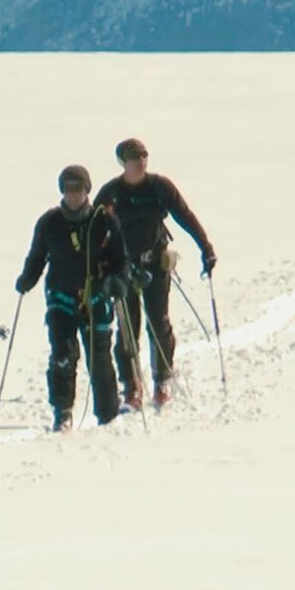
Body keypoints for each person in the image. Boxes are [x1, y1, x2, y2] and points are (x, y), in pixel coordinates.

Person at [92, 139, 216, 408]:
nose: (140, 161)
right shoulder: (111, 193)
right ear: (123, 162)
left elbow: (185, 216)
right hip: (122, 267)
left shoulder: (159, 187)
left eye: (144, 156)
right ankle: (131, 385)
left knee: (158, 322)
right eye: (134, 157)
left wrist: (205, 247)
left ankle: (161, 378)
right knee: (127, 328)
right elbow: (94, 232)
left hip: (154, 263)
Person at [14, 165, 130, 430]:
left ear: (87, 190)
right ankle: (62, 411)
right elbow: (37, 256)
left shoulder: (105, 221)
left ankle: (108, 414)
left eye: (78, 189)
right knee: (62, 354)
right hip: (61, 297)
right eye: (68, 189)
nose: (73, 195)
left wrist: (117, 282)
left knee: (99, 357)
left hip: (96, 298)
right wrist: (27, 279)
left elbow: (120, 260)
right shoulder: (49, 223)